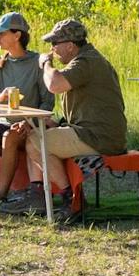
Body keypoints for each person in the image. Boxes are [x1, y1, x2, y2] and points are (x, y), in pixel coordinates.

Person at [33, 15, 128, 213]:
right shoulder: (87, 59)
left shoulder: (85, 61)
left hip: (99, 137)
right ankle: (39, 195)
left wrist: (46, 65)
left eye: (55, 43)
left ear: (70, 45)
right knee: (34, 136)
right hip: (95, 133)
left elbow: (54, 84)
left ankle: (71, 200)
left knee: (35, 141)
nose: (52, 48)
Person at [0, 10, 48, 202]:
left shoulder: (37, 63)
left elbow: (48, 103)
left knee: (9, 136)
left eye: (1, 33)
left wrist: (31, 124)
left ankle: (0, 196)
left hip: (29, 127)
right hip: (3, 123)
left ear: (17, 35)